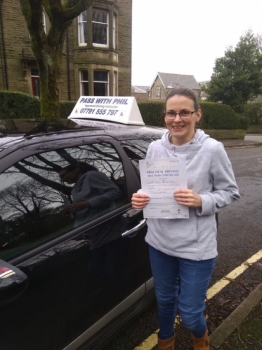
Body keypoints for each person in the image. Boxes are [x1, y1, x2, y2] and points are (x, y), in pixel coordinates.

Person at [131, 88, 240, 350]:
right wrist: (140, 197)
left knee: (191, 313)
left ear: (197, 115)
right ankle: (165, 341)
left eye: (184, 113)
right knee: (165, 299)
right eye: (171, 113)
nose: (177, 119)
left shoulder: (212, 149)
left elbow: (230, 192)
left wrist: (201, 200)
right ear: (164, 115)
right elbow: (152, 186)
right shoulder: (155, 147)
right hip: (159, 241)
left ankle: (200, 338)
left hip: (196, 247)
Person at [59, 162, 122, 231]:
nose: (62, 179)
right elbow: (86, 209)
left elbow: (115, 192)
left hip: (109, 229)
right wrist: (72, 210)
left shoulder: (91, 175)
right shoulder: (74, 190)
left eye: (63, 175)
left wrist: (88, 204)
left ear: (76, 170)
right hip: (91, 232)